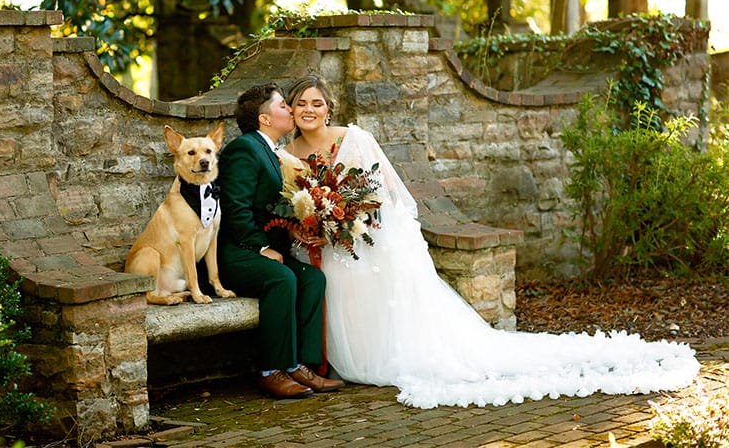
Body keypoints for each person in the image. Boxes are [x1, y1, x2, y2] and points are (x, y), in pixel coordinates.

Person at [280, 73, 700, 409]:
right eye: (301, 104)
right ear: (291, 110)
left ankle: (383, 357)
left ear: (329, 106)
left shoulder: (354, 137)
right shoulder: (289, 150)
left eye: (317, 103)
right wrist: (315, 221)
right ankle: (342, 360)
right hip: (327, 242)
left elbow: (384, 189)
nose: (309, 110)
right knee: (338, 291)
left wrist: (350, 214)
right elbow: (294, 202)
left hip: (367, 235)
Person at [217, 82, 345, 398]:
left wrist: (294, 228)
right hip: (238, 253)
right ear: (265, 119)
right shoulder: (244, 149)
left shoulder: (275, 152)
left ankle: (301, 365)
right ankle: (270, 369)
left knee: (313, 278)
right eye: (283, 106)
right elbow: (236, 208)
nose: (291, 110)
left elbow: (275, 205)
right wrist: (260, 248)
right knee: (282, 278)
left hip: (266, 248)